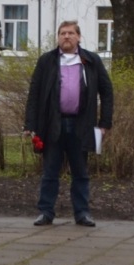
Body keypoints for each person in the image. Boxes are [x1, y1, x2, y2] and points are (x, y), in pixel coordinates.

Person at [23, 20, 114, 227]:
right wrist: (30, 123)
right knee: (50, 172)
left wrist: (105, 123)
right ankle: (46, 212)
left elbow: (107, 92)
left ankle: (82, 213)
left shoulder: (91, 61)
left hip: (81, 125)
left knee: (81, 172)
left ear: (78, 37)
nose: (66, 37)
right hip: (52, 124)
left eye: (71, 33)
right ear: (58, 37)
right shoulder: (47, 61)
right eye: (62, 33)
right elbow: (34, 94)